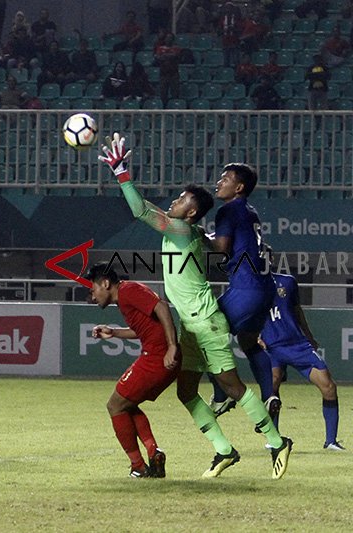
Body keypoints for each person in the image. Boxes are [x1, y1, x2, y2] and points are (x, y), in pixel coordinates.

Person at [98, 133, 293, 479]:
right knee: (186, 391)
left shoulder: (180, 231)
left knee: (232, 386)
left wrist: (121, 171)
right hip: (191, 326)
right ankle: (224, 450)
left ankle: (277, 442)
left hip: (206, 322)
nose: (173, 202)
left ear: (190, 211)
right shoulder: (189, 234)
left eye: (180, 200)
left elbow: (140, 209)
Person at [85, 262, 179, 478]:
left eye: (93, 289)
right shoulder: (126, 296)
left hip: (157, 358)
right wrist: (114, 333)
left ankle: (138, 465)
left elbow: (162, 306)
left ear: (106, 283)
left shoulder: (128, 291)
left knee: (115, 405)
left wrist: (172, 346)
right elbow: (144, 328)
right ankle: (153, 452)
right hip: (158, 356)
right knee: (126, 404)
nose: (92, 295)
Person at [205, 163, 278, 418]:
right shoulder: (250, 211)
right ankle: (270, 395)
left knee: (202, 334)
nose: (219, 182)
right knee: (249, 342)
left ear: (239, 187)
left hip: (245, 288)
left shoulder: (227, 210)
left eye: (225, 178)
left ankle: (221, 396)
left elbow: (221, 248)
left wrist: (200, 235)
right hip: (265, 288)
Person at [260, 271, 344, 451]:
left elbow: (297, 311)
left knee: (328, 386)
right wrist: (255, 337)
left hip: (297, 344)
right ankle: (273, 438)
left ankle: (330, 441)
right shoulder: (249, 285)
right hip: (272, 345)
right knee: (272, 385)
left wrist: (309, 336)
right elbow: (244, 315)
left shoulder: (288, 282)